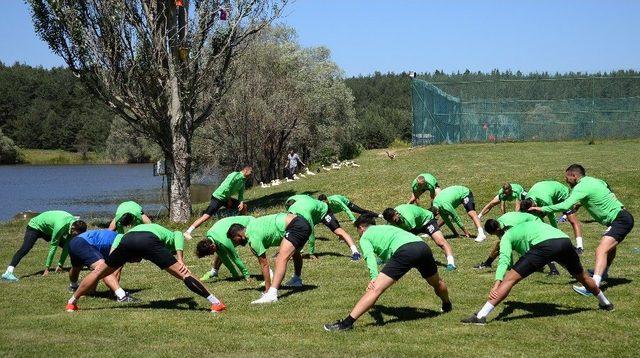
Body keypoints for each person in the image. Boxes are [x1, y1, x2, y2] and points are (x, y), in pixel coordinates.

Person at [461, 220, 614, 325]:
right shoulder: (527, 224)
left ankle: (481, 316)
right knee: (583, 277)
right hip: (564, 240)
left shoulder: (507, 236)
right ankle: (605, 303)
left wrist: (497, 283)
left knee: (510, 279)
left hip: (544, 246)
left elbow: (504, 259)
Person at [323, 216, 452, 331]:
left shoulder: (365, 237)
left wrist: (374, 278)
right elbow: (389, 250)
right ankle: (447, 304)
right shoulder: (386, 228)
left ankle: (346, 324)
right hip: (422, 246)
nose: (359, 234)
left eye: (358, 231)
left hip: (405, 251)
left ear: (361, 228)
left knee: (375, 290)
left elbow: (370, 257)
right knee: (436, 282)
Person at [65, 223, 225, 313]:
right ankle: (216, 303)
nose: (137, 262)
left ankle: (72, 302)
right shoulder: (166, 232)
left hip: (126, 240)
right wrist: (180, 260)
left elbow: (119, 241)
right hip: (148, 240)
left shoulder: (133, 230)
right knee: (184, 274)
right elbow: (178, 234)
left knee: (98, 271)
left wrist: (114, 259)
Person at [529, 164, 634, 296]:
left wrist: (542, 209)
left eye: (567, 178)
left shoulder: (580, 187)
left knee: (601, 250)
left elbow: (566, 205)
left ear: (574, 175)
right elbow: (605, 184)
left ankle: (593, 286)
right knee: (610, 249)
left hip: (620, 220)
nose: (566, 181)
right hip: (622, 217)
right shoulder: (593, 180)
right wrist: (583, 203)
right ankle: (604, 272)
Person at [227, 212, 312, 304]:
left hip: (296, 226)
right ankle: (296, 280)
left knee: (280, 259)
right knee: (294, 253)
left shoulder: (253, 238)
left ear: (239, 234)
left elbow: (264, 264)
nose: (235, 243)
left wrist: (267, 288)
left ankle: (271, 294)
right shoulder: (252, 226)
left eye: (234, 240)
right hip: (302, 222)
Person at [3, 211, 87, 282]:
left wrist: (60, 265)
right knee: (25, 248)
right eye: (76, 234)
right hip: (35, 226)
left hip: (48, 229)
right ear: (73, 228)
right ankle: (8, 272)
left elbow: (66, 247)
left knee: (70, 246)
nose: (76, 236)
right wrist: (47, 269)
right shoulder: (61, 226)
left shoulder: (74, 225)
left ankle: (86, 263)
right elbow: (53, 247)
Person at [67, 229, 138, 302]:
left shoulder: (123, 239)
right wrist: (113, 291)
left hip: (74, 242)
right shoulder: (123, 246)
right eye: (136, 260)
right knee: (102, 268)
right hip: (83, 243)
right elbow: (114, 271)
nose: (134, 262)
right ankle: (122, 296)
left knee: (76, 267)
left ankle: (73, 286)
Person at [286, 194, 361, 261]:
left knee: (338, 232)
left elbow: (311, 234)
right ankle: (294, 252)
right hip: (314, 213)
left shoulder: (305, 214)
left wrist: (311, 253)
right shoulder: (289, 208)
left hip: (324, 212)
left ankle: (355, 252)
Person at [184, 166, 252, 239]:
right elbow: (227, 187)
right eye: (250, 173)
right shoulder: (234, 175)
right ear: (245, 170)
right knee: (206, 216)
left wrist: (241, 202)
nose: (250, 175)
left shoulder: (243, 180)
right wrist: (228, 199)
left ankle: (243, 228)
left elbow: (241, 193)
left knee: (243, 207)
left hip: (226, 198)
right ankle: (187, 232)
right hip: (218, 197)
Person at [382, 204, 456, 270]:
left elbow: (412, 234)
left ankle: (451, 263)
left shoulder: (408, 216)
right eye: (392, 222)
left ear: (397, 214)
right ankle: (386, 257)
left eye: (395, 221)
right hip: (414, 226)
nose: (395, 223)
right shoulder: (391, 222)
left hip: (426, 221)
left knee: (440, 242)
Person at [519, 180, 584, 253]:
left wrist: (556, 234)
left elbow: (552, 218)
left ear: (533, 206)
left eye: (532, 210)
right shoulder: (528, 198)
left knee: (572, 220)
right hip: (546, 191)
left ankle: (580, 247)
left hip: (562, 194)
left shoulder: (545, 200)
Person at [473, 211, 541, 269]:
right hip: (524, 223)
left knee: (534, 247)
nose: (494, 235)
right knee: (500, 244)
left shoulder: (510, 227)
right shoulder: (498, 223)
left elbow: (516, 246)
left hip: (535, 223)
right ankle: (487, 263)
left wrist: (509, 266)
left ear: (497, 229)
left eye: (493, 234)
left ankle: (545, 266)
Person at [195, 215, 255, 281]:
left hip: (250, 222)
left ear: (212, 246)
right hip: (230, 230)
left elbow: (235, 258)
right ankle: (214, 271)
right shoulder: (210, 237)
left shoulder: (224, 242)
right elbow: (224, 259)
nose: (212, 254)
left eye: (210, 253)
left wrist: (246, 275)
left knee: (256, 248)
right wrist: (235, 275)